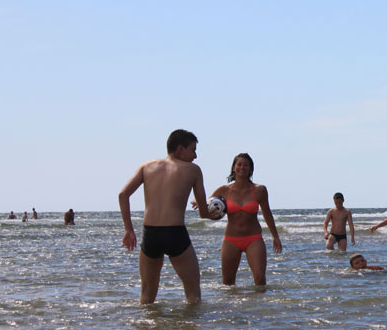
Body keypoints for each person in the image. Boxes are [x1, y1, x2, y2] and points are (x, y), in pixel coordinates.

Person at [119, 129, 215, 305]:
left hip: (150, 234)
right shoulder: (193, 170)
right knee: (193, 294)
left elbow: (123, 195)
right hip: (175, 233)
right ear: (180, 149)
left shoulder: (146, 166)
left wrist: (129, 230)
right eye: (193, 150)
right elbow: (203, 213)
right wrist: (215, 213)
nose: (195, 156)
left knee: (147, 296)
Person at [206, 153, 282, 286]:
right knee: (228, 284)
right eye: (239, 164)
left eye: (246, 165)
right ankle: (235, 307)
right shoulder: (224, 190)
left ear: (251, 169)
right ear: (233, 168)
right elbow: (208, 205)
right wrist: (198, 202)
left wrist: (275, 237)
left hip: (253, 239)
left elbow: (267, 214)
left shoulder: (260, 190)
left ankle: (259, 306)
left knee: (260, 280)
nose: (242, 167)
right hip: (231, 240)